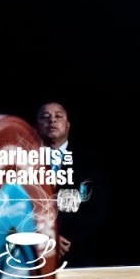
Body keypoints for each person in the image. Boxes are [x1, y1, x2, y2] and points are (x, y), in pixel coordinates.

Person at [34, 101, 108, 267]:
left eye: (58, 116)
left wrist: (64, 238)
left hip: (77, 254)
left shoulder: (88, 161)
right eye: (45, 117)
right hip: (34, 253)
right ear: (36, 126)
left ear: (67, 125)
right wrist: (45, 237)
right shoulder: (21, 162)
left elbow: (97, 208)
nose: (52, 120)